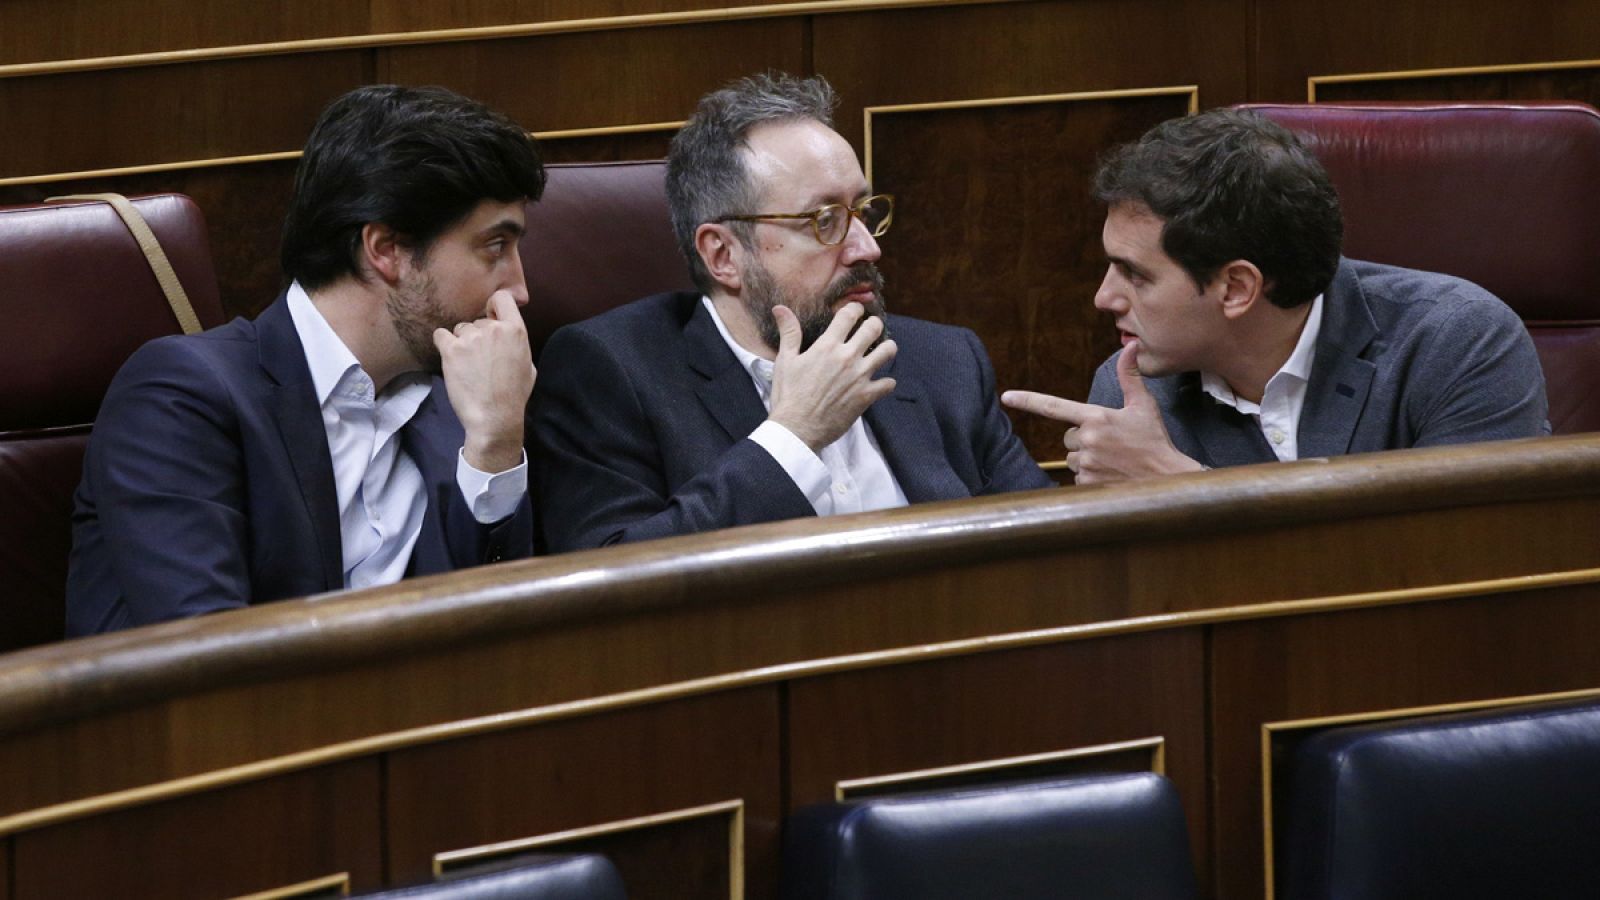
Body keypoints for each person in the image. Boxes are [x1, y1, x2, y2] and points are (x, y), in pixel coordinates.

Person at [67, 85, 546, 635]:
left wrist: (495, 448)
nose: (520, 289)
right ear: (386, 249)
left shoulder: (464, 405)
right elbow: (204, 653)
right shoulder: (181, 397)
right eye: (495, 247)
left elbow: (507, 641)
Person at [530, 72, 1050, 552]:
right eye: (824, 221)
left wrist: (1104, 491)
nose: (867, 248)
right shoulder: (613, 373)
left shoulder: (943, 361)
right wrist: (793, 437)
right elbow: (613, 575)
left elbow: (1043, 554)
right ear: (723, 255)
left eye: (863, 212)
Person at [1002, 108, 1549, 484]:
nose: (1104, 298)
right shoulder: (1133, 395)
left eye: (1135, 275)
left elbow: (1457, 561)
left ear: (1237, 288)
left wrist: (1179, 486)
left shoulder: (1457, 343)